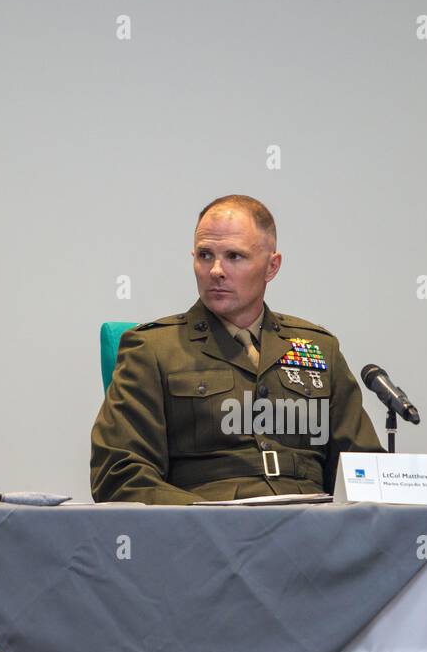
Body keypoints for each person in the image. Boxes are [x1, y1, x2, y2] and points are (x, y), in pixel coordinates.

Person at [91, 195, 382, 503]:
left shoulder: (320, 348)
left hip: (311, 529)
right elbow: (119, 474)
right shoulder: (153, 349)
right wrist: (211, 520)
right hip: (206, 530)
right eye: (205, 255)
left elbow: (364, 469)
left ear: (272, 266)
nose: (216, 270)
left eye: (234, 256)